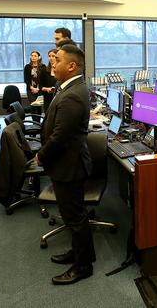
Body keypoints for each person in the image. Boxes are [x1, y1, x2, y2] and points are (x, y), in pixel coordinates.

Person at [34, 44, 95, 285]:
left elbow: (60, 136)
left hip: (69, 165)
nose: (52, 63)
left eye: (57, 60)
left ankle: (83, 266)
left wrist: (41, 156)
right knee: (73, 216)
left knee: (75, 218)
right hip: (67, 163)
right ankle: (81, 253)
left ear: (71, 66)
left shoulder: (73, 94)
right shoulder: (69, 88)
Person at [40, 49, 58, 113]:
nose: (51, 58)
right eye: (49, 56)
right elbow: (40, 86)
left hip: (58, 98)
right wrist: (47, 89)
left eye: (53, 56)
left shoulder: (61, 70)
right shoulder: (44, 70)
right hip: (48, 98)